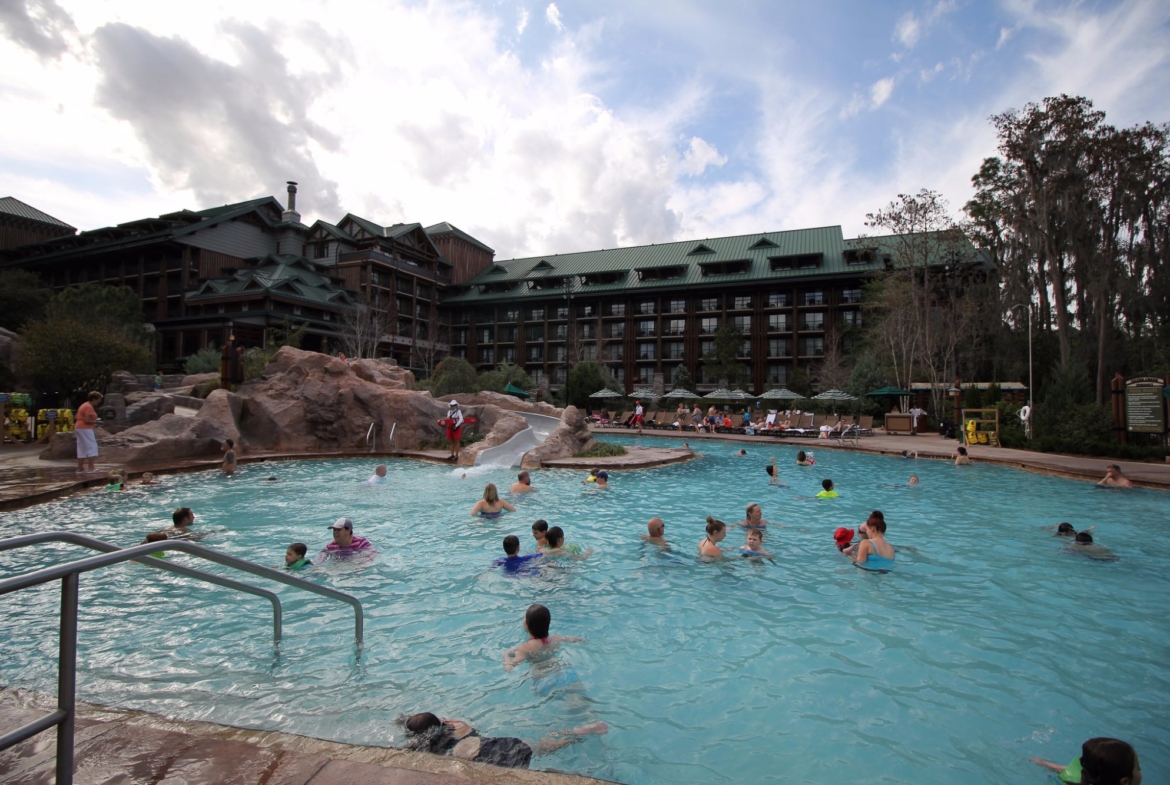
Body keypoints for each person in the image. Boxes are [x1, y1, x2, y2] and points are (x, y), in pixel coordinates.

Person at [397, 711, 606, 769]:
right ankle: (576, 733)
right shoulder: (458, 725)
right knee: (541, 746)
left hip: (485, 761)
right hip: (499, 744)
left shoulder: (428, 748)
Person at [504, 603, 584, 670]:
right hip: (561, 667)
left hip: (542, 675)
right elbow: (573, 639)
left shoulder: (524, 648)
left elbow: (509, 668)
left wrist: (506, 655)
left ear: (527, 624)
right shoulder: (555, 639)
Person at [1031, 737, 1141, 785]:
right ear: (1125, 781)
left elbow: (1063, 769)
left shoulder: (1087, 772)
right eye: (1138, 769)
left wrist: (1042, 763)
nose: (1140, 771)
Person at [74, 391, 103, 474]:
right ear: (93, 399)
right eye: (98, 400)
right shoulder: (89, 407)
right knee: (92, 446)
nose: (98, 402)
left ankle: (80, 468)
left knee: (82, 447)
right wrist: (97, 422)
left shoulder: (84, 405)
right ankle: (91, 467)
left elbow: (76, 416)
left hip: (78, 427)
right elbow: (87, 420)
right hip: (85, 428)